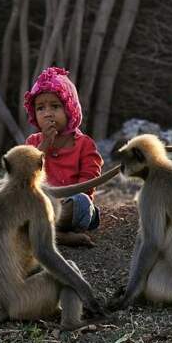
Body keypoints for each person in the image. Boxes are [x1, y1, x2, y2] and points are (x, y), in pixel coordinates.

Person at [24, 66, 103, 247]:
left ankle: (43, 232)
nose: (48, 113)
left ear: (69, 109)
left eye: (55, 106)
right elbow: (24, 177)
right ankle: (57, 235)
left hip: (69, 206)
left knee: (82, 202)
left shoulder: (85, 144)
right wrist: (43, 146)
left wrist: (61, 202)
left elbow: (89, 184)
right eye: (40, 108)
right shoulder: (33, 142)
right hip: (39, 206)